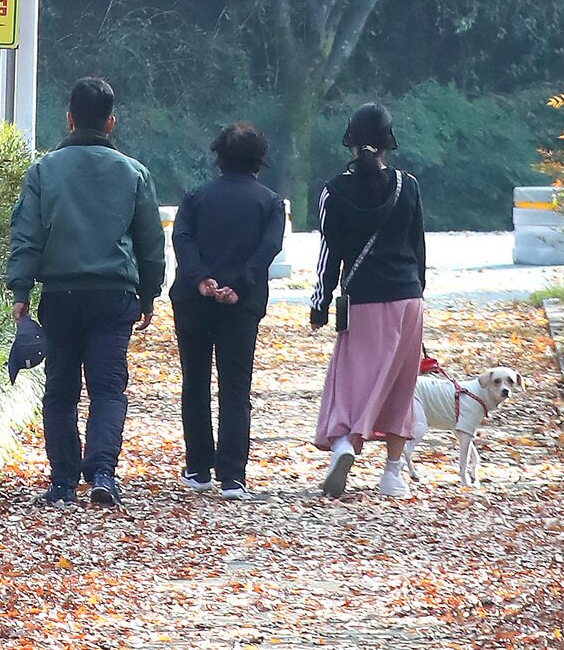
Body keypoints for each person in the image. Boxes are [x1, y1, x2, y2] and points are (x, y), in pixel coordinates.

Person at [6, 75, 166, 509]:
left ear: (69, 118)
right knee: (109, 388)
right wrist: (149, 294)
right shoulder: (134, 172)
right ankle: (102, 473)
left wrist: (20, 287)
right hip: (114, 294)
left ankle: (61, 482)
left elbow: (27, 234)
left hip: (60, 292)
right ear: (110, 123)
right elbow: (151, 242)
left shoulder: (43, 171)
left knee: (60, 388)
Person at [309, 101, 426, 500]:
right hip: (407, 298)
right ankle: (392, 473)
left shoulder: (333, 191)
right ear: (388, 140)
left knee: (351, 377)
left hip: (363, 300)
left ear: (351, 141)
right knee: (400, 382)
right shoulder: (407, 185)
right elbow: (418, 249)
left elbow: (330, 251)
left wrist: (320, 303)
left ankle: (343, 443)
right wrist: (418, 295)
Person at [170, 121, 286, 499]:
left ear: (218, 157)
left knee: (196, 381)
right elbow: (267, 249)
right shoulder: (270, 203)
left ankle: (198, 468)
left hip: (193, 300)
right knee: (236, 387)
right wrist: (240, 283)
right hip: (242, 305)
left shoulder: (195, 197)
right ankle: (233, 476)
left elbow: (182, 238)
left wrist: (202, 279)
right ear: (259, 160)